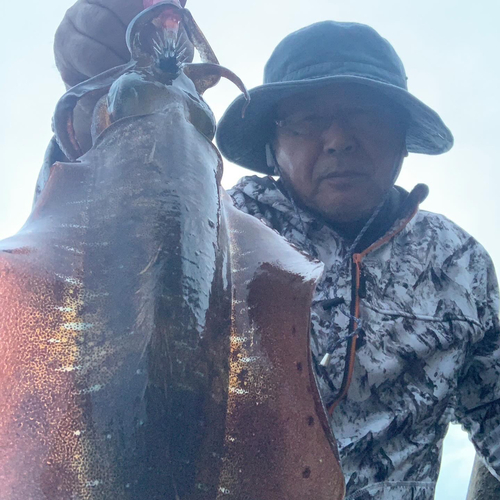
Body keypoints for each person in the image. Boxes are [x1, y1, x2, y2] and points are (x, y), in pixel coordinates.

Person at [51, 3, 500, 499]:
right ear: (272, 143)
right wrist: (92, 101)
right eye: (307, 121)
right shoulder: (212, 220)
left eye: (366, 115)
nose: (338, 140)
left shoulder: (462, 264)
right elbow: (82, 272)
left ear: (403, 136)